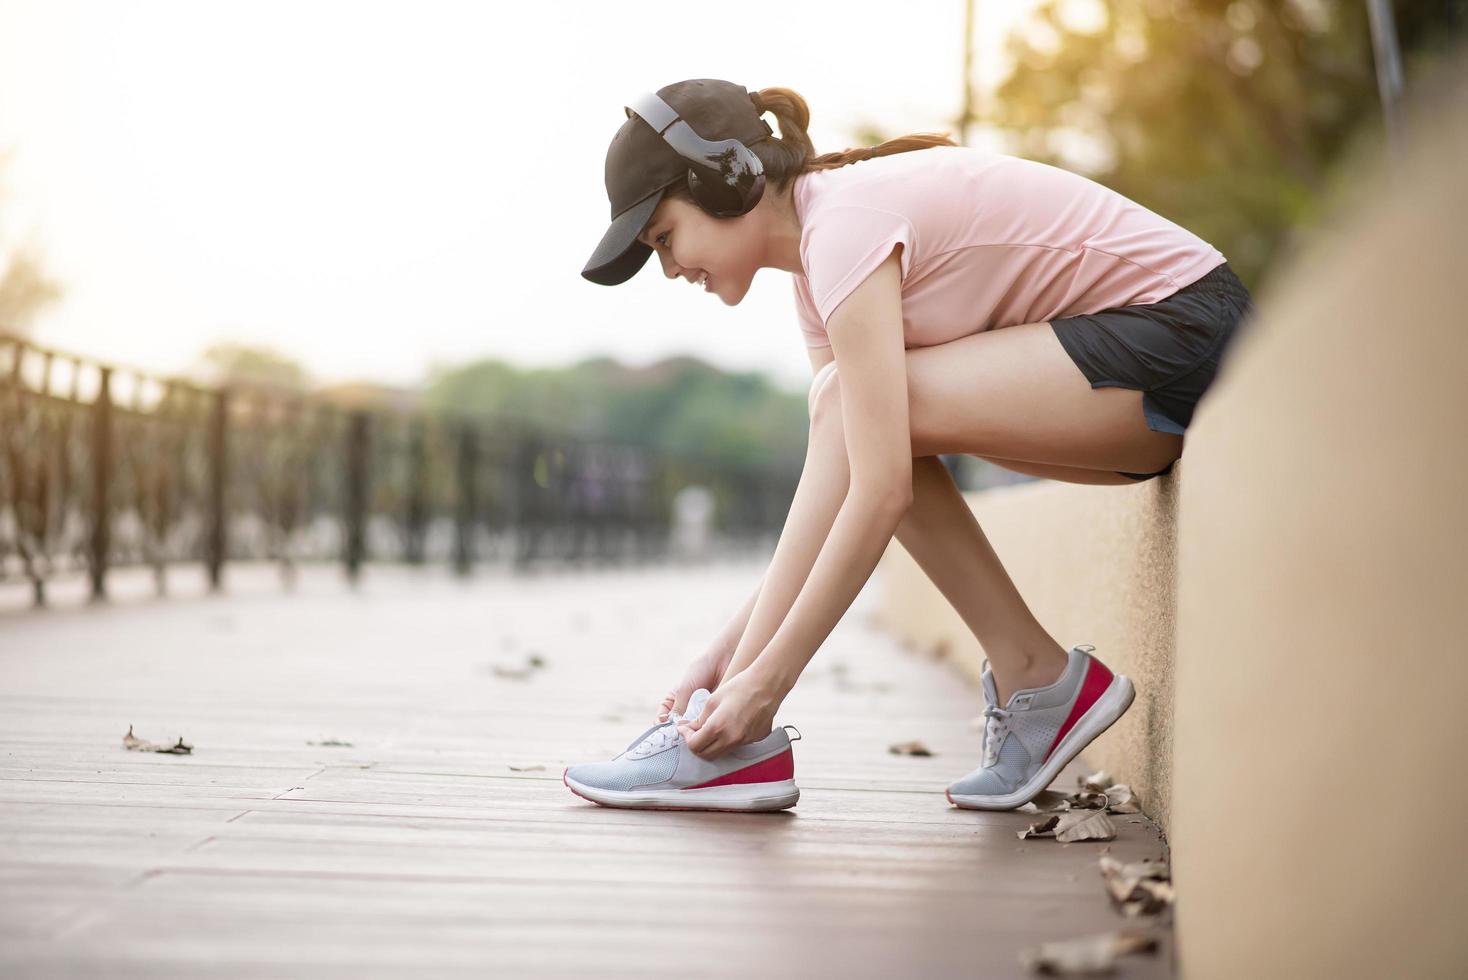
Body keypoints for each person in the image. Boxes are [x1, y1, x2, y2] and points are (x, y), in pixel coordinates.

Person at [563, 78, 1255, 813]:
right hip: (1125, 394)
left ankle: (741, 742)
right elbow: (843, 484)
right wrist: (725, 658)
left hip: (1184, 336)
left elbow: (881, 490)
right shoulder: (816, 274)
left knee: (859, 414)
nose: (671, 270)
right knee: (866, 421)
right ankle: (1036, 677)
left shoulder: (845, 225)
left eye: (664, 238)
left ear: (724, 176)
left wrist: (764, 688)